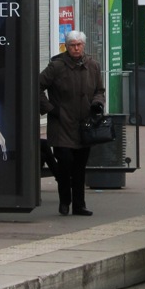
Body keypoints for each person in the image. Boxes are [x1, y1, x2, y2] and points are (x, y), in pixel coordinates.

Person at [39, 29, 105, 216]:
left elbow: (99, 90)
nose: (76, 48)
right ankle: (64, 202)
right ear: (66, 47)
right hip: (61, 125)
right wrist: (51, 109)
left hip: (84, 125)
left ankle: (79, 205)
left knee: (79, 167)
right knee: (65, 163)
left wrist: (97, 104)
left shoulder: (93, 66)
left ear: (84, 46)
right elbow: (36, 86)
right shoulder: (57, 67)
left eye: (79, 45)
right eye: (72, 45)